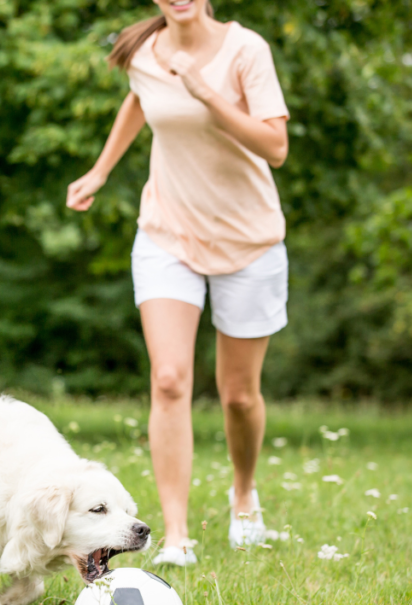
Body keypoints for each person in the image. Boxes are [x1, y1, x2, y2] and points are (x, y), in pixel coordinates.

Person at [66, 0, 290, 566]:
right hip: (168, 232)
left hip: (249, 239)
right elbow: (139, 100)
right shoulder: (144, 50)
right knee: (168, 379)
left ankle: (244, 497)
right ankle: (176, 536)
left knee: (239, 394)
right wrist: (101, 169)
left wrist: (206, 92)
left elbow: (276, 146)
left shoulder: (246, 50)